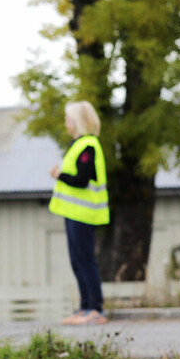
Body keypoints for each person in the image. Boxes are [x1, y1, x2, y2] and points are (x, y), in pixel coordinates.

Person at [49, 101, 109, 325]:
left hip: (84, 213)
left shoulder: (87, 146)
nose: (66, 122)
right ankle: (85, 307)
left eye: (68, 118)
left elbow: (82, 180)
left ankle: (95, 308)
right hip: (75, 213)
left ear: (76, 121)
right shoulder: (80, 145)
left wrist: (59, 175)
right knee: (78, 261)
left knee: (85, 260)